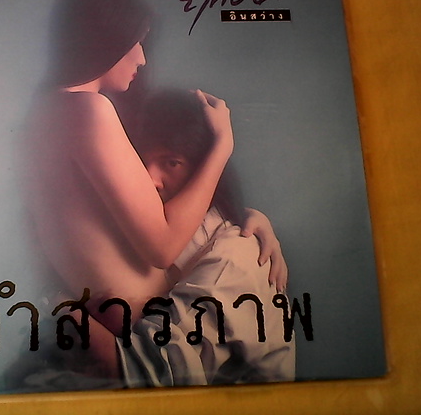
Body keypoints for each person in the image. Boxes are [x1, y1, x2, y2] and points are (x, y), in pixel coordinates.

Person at [25, 0, 285, 382]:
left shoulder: (44, 113)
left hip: (125, 327)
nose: (142, 58)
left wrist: (250, 216)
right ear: (106, 38)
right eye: (136, 41)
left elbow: (120, 217)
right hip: (141, 344)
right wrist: (222, 146)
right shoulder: (88, 110)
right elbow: (162, 247)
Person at [116, 88, 295, 386]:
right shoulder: (159, 232)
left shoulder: (233, 257)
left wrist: (71, 317)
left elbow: (159, 365)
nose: (150, 179)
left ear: (206, 167)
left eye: (171, 162)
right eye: (141, 161)